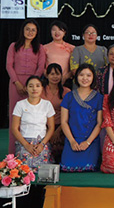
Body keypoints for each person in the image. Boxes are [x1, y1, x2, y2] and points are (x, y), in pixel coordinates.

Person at [6, 19, 46, 154]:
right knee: (15, 118)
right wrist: (16, 82)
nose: (30, 32)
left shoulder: (40, 48)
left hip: (34, 85)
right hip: (15, 83)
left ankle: (32, 149)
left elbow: (41, 67)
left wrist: (32, 84)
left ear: (37, 33)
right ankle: (12, 153)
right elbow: (9, 66)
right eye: (27, 29)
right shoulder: (13, 46)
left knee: (32, 116)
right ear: (23, 31)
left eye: (33, 30)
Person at [60, 64, 103, 172]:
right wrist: (72, 141)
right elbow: (64, 122)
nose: (85, 78)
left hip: (91, 141)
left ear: (93, 78)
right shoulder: (69, 96)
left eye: (88, 75)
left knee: (89, 167)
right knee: (67, 168)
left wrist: (87, 142)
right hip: (72, 140)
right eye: (81, 75)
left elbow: (99, 123)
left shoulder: (99, 98)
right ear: (76, 77)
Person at [12, 76, 55, 172]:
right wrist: (26, 145)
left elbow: (51, 127)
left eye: (37, 86)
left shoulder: (47, 104)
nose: (34, 89)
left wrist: (42, 145)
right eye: (31, 86)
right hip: (24, 142)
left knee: (44, 171)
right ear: (26, 88)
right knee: (23, 170)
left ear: (42, 88)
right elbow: (14, 128)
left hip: (42, 142)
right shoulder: (20, 105)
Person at [41, 63, 71, 163]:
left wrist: (58, 131)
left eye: (57, 74)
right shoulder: (40, 90)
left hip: (61, 126)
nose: (55, 77)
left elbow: (69, 114)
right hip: (43, 126)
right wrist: (48, 131)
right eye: (52, 74)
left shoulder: (67, 92)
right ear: (47, 75)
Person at [44, 21, 75, 85]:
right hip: (49, 81)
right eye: (54, 30)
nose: (57, 32)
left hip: (66, 81)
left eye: (60, 30)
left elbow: (74, 67)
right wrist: (49, 77)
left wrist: (65, 77)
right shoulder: (45, 48)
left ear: (65, 32)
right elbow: (42, 66)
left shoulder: (72, 48)